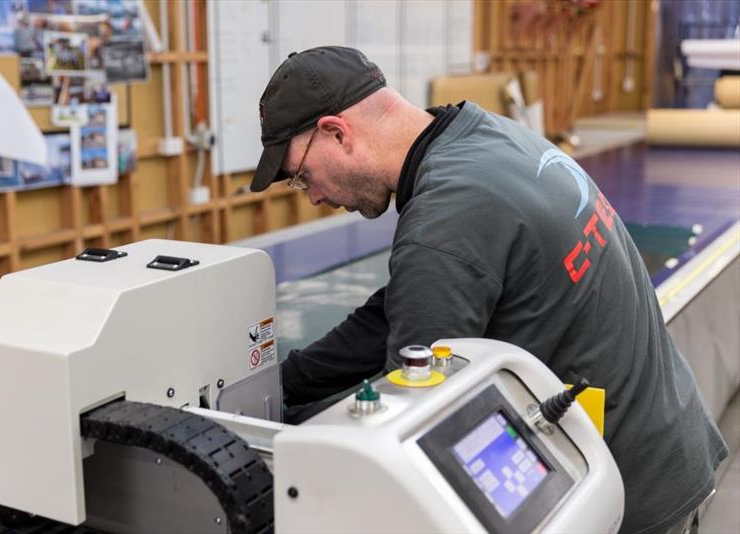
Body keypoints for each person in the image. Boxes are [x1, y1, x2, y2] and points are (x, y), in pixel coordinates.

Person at [250, 46, 727, 534]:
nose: (314, 195)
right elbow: (398, 312)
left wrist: (289, 434)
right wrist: (286, 381)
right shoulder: (482, 135)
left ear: (337, 131)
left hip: (625, 490)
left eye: (303, 175)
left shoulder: (446, 217)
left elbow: (409, 403)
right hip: (667, 437)